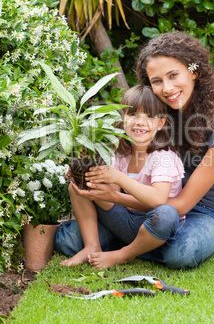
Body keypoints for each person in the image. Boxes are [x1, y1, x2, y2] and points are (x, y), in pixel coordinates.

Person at [55, 31, 214, 269]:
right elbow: (121, 147)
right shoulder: (159, 112)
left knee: (182, 253)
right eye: (157, 81)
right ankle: (143, 239)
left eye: (173, 75)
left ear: (194, 71)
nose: (167, 88)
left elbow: (181, 205)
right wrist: (88, 173)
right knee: (67, 239)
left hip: (205, 212)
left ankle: (129, 248)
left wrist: (115, 197)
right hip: (150, 201)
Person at [59, 84, 184, 267]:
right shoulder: (119, 153)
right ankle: (92, 246)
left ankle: (124, 254)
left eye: (149, 116)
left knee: (166, 214)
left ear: (161, 123)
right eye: (133, 114)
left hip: (155, 227)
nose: (140, 122)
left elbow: (157, 199)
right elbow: (111, 192)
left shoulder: (163, 157)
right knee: (79, 186)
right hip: (124, 220)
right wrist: (84, 176)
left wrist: (117, 177)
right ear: (123, 118)